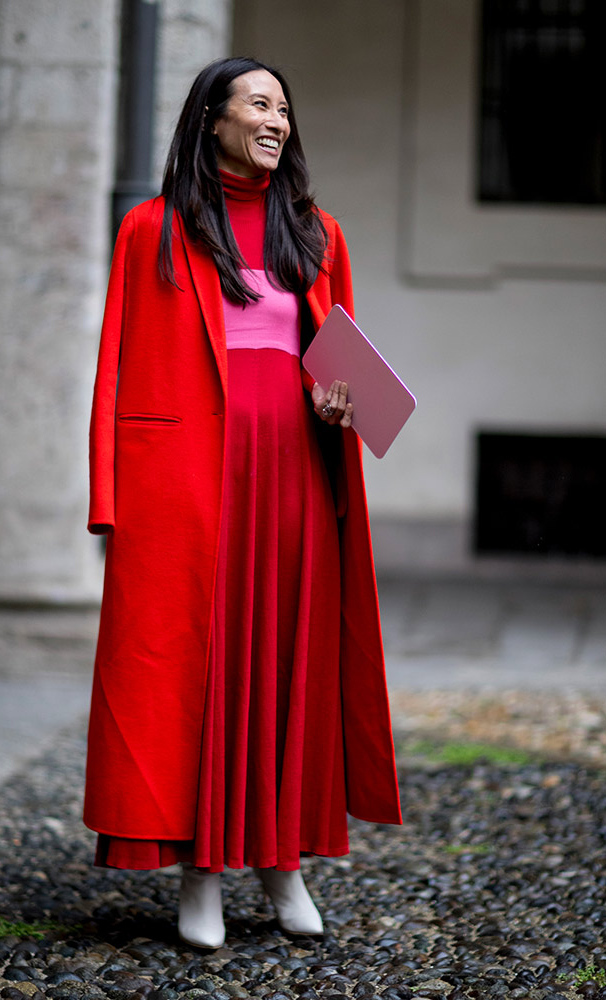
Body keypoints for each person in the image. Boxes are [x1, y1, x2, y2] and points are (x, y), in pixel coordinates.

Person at [84, 56, 402, 949]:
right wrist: (111, 499)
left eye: (284, 109)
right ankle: (200, 877)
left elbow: (341, 365)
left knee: (286, 663)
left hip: (295, 472)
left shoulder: (319, 232)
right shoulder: (151, 230)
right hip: (189, 481)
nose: (276, 120)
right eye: (259, 104)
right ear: (213, 118)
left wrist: (342, 401)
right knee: (198, 672)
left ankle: (284, 864)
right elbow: (114, 369)